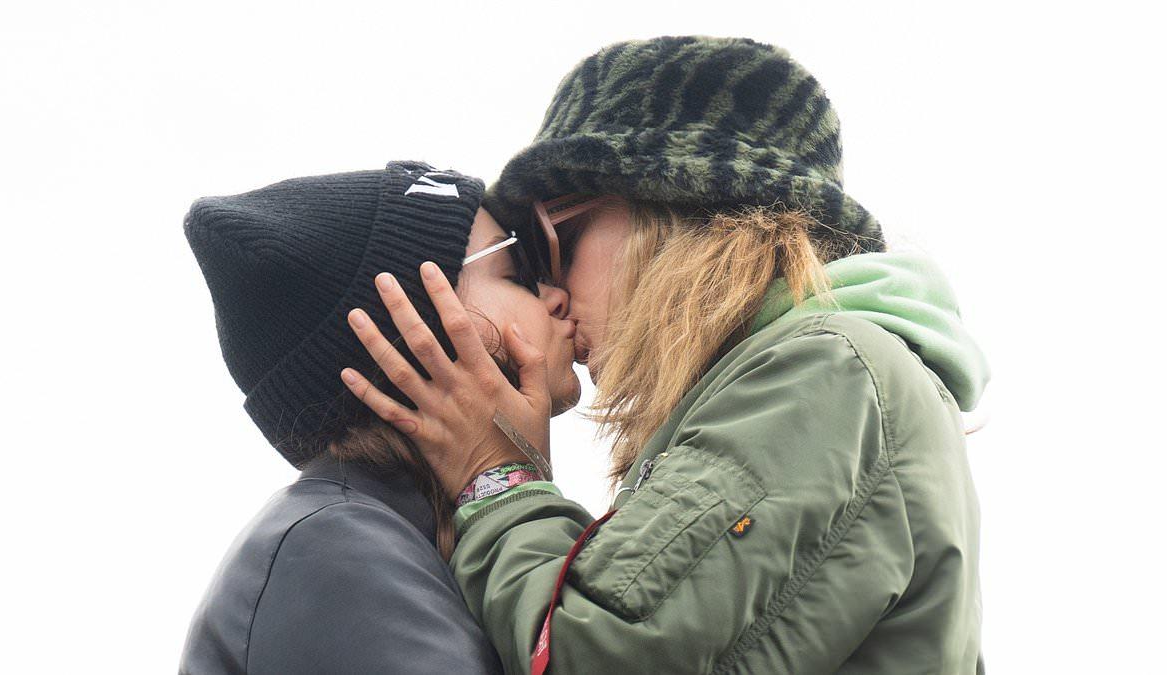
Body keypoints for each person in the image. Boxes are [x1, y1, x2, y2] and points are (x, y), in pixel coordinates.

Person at [340, 38, 990, 673]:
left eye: (554, 241)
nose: (550, 297)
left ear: (677, 211)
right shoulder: (809, 378)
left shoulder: (825, 373)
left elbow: (591, 650)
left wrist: (494, 474)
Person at [179, 161, 579, 674]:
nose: (555, 294)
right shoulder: (334, 549)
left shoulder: (406, 541)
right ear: (414, 333)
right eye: (517, 269)